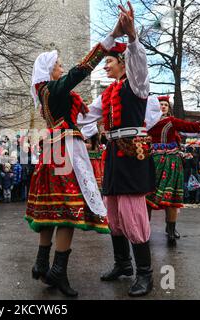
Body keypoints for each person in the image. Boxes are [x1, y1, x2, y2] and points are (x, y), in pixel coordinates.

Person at [26, 10, 121, 297]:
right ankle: (57, 271)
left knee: (51, 208)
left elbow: (81, 113)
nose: (61, 68)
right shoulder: (54, 89)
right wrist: (109, 40)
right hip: (65, 149)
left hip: (53, 149)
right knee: (68, 208)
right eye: (58, 65)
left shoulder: (44, 94)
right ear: (49, 71)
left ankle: (42, 262)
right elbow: (82, 69)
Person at [77, 2, 165, 297]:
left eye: (110, 62)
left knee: (133, 214)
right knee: (113, 212)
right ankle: (123, 264)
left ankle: (146, 274)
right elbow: (86, 117)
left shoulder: (137, 84)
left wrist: (132, 38)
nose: (106, 66)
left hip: (133, 154)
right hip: (114, 154)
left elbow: (138, 62)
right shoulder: (109, 92)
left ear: (123, 62)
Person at [145, 96, 200, 245]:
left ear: (169, 108)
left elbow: (192, 127)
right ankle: (144, 229)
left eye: (165, 105)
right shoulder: (145, 123)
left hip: (171, 162)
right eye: (160, 104)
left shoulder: (170, 121)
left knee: (171, 199)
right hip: (151, 162)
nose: (163, 107)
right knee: (146, 198)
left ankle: (171, 229)